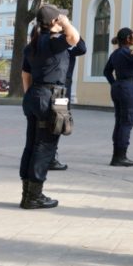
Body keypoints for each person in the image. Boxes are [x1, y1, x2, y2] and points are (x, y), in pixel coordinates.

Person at [20, 5, 79, 209]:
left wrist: (31, 94)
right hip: (52, 95)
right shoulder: (54, 42)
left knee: (32, 144)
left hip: (36, 94)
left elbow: (25, 75)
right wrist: (66, 22)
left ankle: (27, 193)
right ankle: (34, 196)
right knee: (45, 146)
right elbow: (74, 38)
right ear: (55, 22)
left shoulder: (33, 44)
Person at [104, 28, 133, 167]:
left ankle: (116, 155)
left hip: (118, 87)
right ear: (129, 39)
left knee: (119, 121)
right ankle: (120, 157)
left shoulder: (116, 53)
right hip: (128, 88)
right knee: (127, 122)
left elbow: (106, 72)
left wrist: (114, 84)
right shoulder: (128, 52)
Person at [48, 38, 87, 171]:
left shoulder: (61, 52)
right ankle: (50, 159)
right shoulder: (66, 53)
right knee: (57, 124)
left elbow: (82, 49)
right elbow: (82, 48)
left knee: (54, 124)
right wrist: (72, 31)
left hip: (54, 92)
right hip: (60, 94)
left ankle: (49, 157)